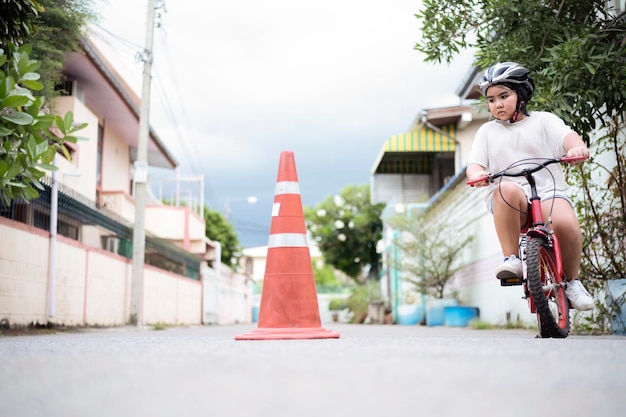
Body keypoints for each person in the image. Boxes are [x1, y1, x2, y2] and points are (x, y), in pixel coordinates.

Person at [466, 61, 594, 311]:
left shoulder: (544, 121)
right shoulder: (486, 132)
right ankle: (511, 259)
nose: (497, 104)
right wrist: (478, 173)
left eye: (504, 96)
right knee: (506, 188)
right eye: (491, 100)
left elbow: (568, 137)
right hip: (513, 202)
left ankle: (572, 282)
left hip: (548, 193)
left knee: (567, 225)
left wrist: (576, 147)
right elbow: (475, 164)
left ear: (521, 94)